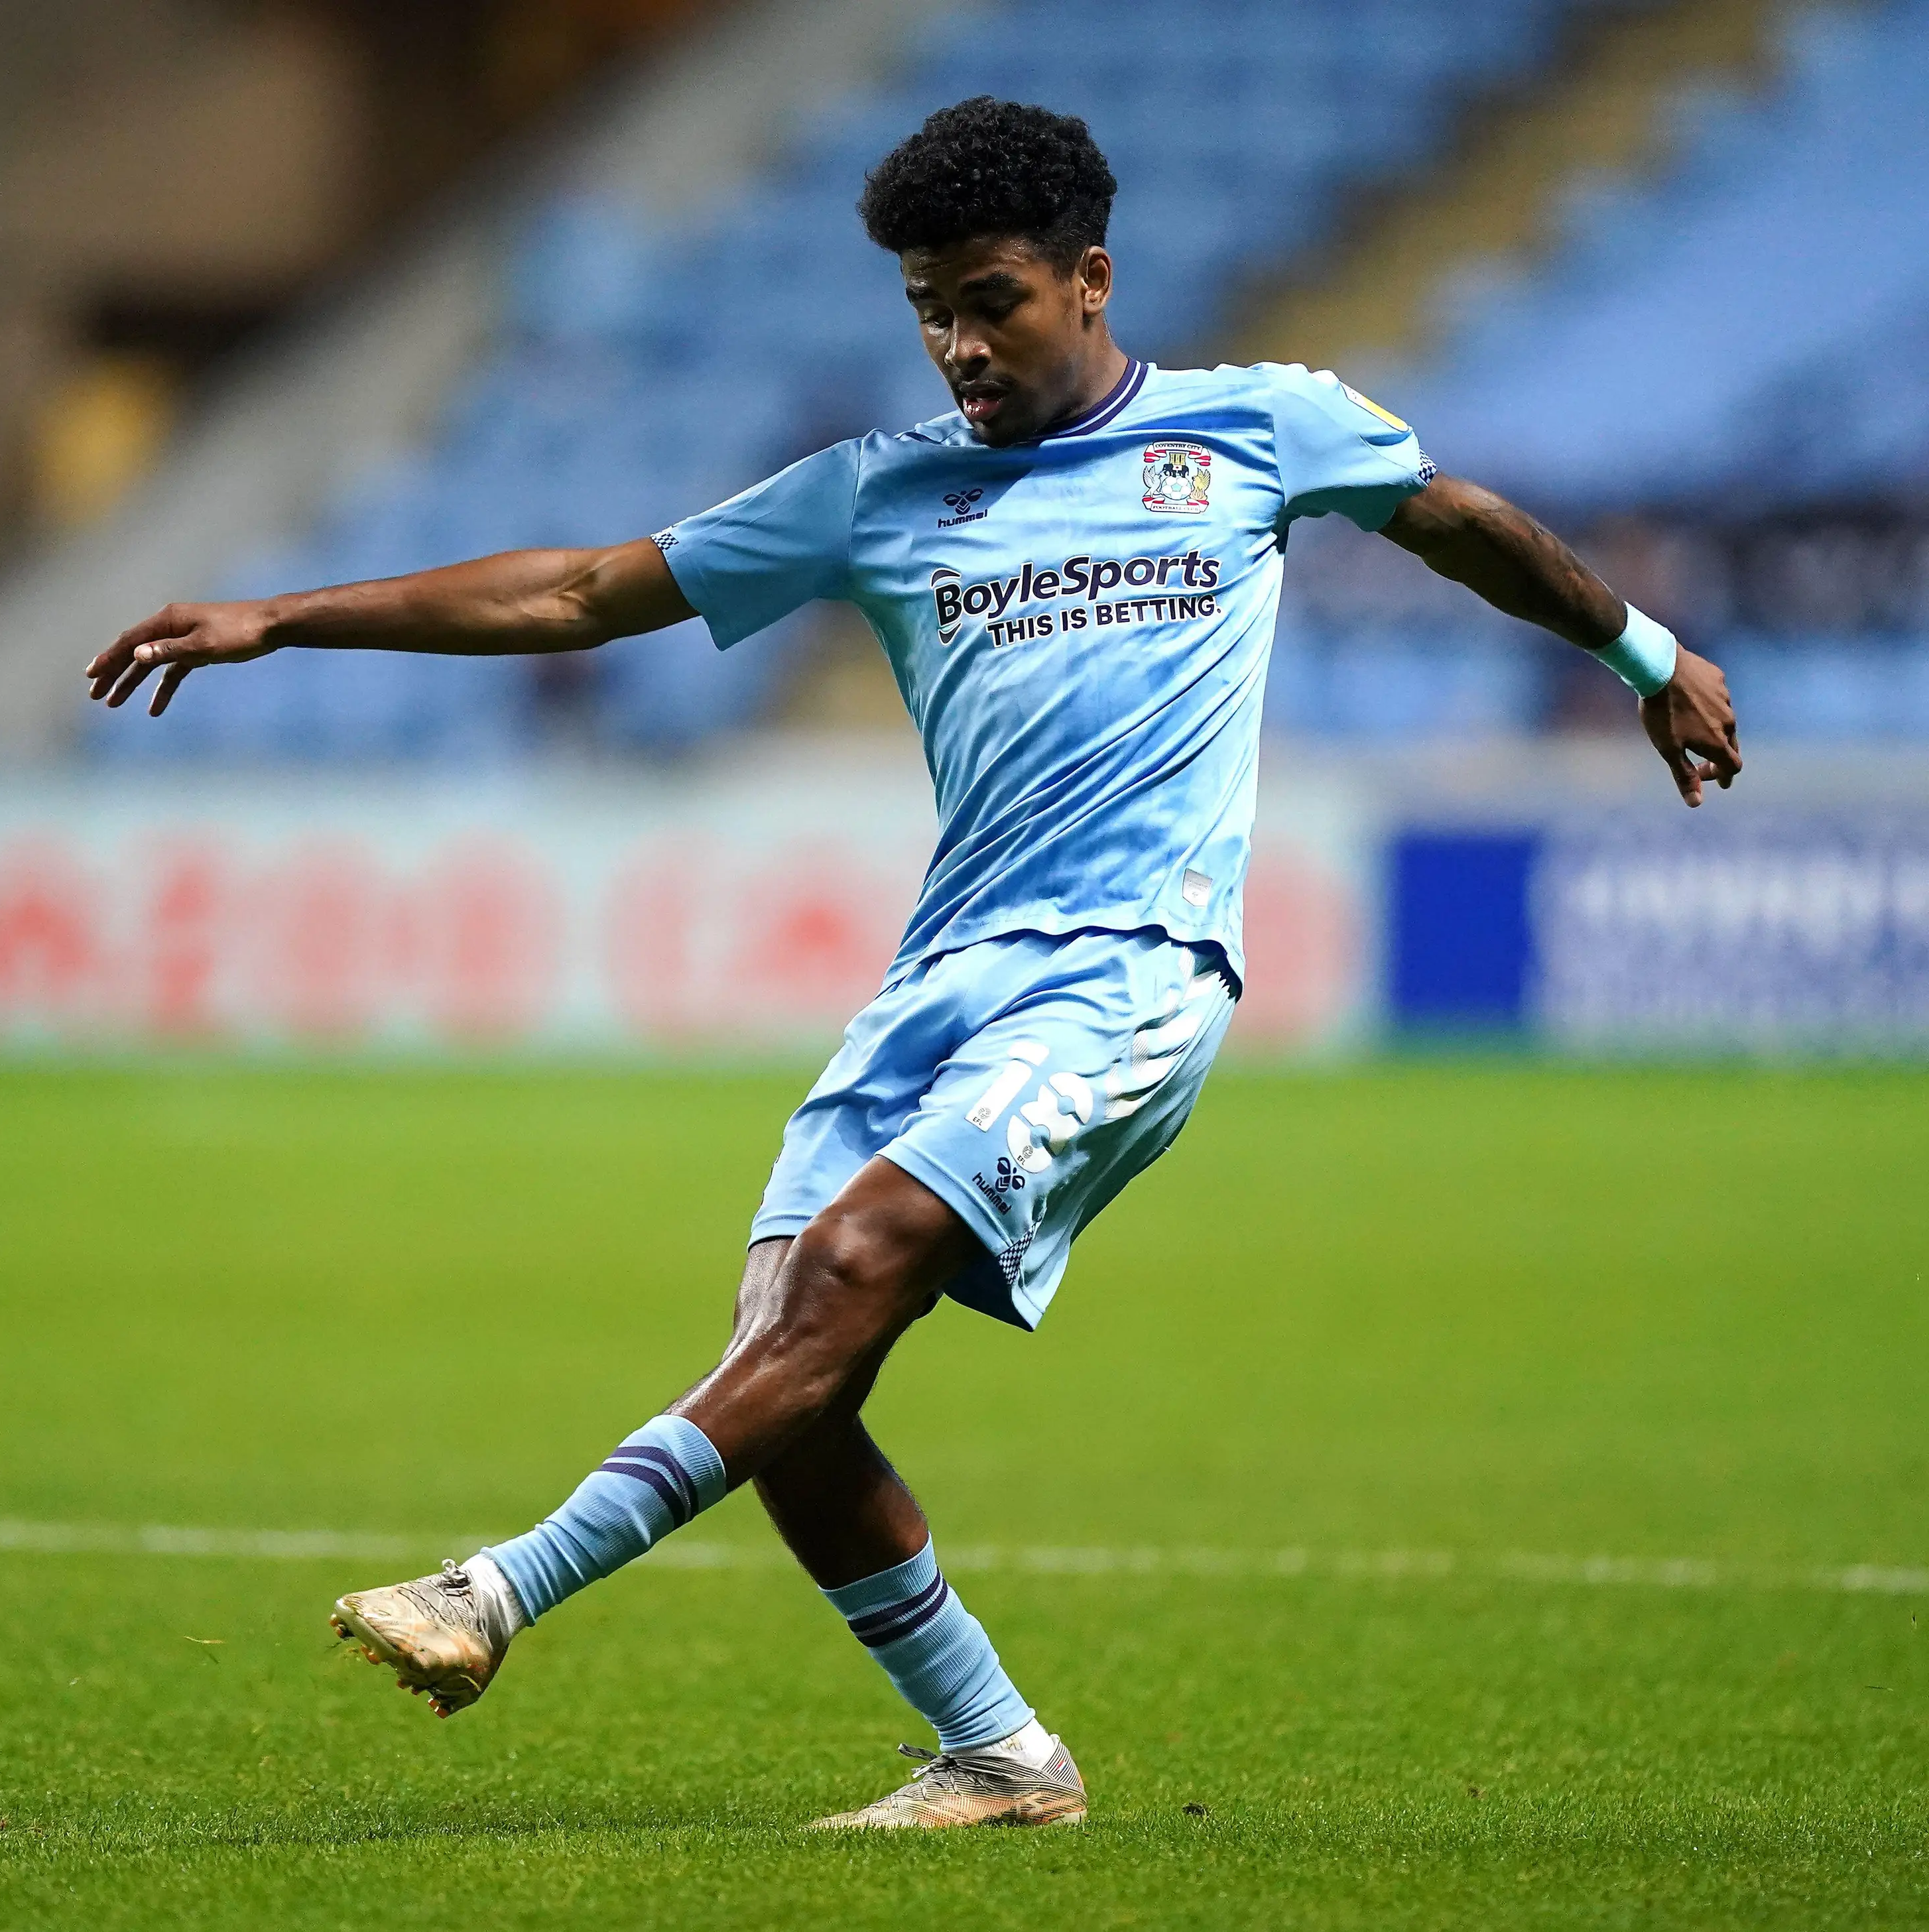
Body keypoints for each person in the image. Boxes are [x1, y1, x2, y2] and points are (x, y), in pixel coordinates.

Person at [84, 97, 1742, 1829]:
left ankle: (497, 1588)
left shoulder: (1259, 432)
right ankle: (1003, 1760)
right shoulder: (876, 498)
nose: (957, 342)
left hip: (1132, 975)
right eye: (929, 310)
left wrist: (1643, 653)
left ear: (1090, 281)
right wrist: (282, 616)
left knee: (857, 1265)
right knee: (789, 1389)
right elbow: (577, 593)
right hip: (936, 989)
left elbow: (1457, 517)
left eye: (992, 301)